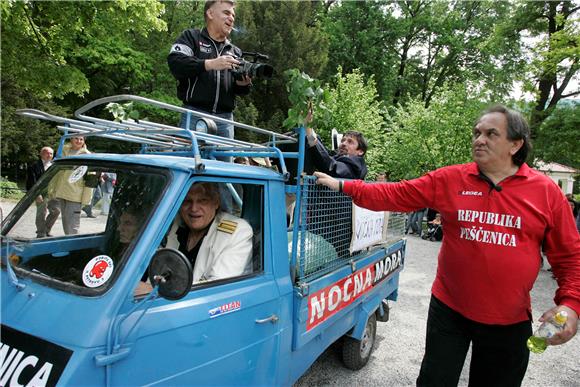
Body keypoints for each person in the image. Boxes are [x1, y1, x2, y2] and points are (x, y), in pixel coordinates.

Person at [314, 105, 580, 386]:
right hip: (449, 311)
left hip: (509, 322)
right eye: (477, 133)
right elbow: (397, 193)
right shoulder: (451, 178)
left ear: (516, 144)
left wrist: (571, 305)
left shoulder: (546, 192)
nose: (479, 139)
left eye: (491, 134)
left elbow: (570, 257)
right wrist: (343, 185)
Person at [167, 0, 252, 141]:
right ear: (210, 13)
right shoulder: (191, 37)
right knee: (190, 162)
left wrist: (244, 85)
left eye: (233, 15)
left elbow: (239, 90)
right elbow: (176, 63)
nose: (231, 18)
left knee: (223, 164)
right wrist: (210, 64)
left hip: (226, 122)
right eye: (226, 13)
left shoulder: (235, 51)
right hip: (194, 115)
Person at [166, 182, 253, 282]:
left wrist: (159, 290)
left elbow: (218, 287)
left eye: (202, 201)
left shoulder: (238, 231)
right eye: (187, 201)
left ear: (216, 202)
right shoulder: (175, 224)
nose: (194, 208)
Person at [47, 136, 93, 235]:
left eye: (81, 139)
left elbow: (90, 179)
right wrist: (52, 189)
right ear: (71, 139)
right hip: (61, 192)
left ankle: (73, 247)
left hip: (75, 195)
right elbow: (57, 173)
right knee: (65, 222)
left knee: (72, 225)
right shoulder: (63, 151)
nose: (79, 141)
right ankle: (67, 244)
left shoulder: (87, 155)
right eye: (76, 138)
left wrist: (86, 199)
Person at [26, 146, 60, 237]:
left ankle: (46, 229)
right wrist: (37, 194)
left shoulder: (55, 165)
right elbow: (31, 182)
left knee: (56, 211)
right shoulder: (34, 166)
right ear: (41, 154)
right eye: (47, 153)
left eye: (51, 153)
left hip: (53, 193)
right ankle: (41, 233)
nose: (49, 155)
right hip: (40, 193)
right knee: (42, 213)